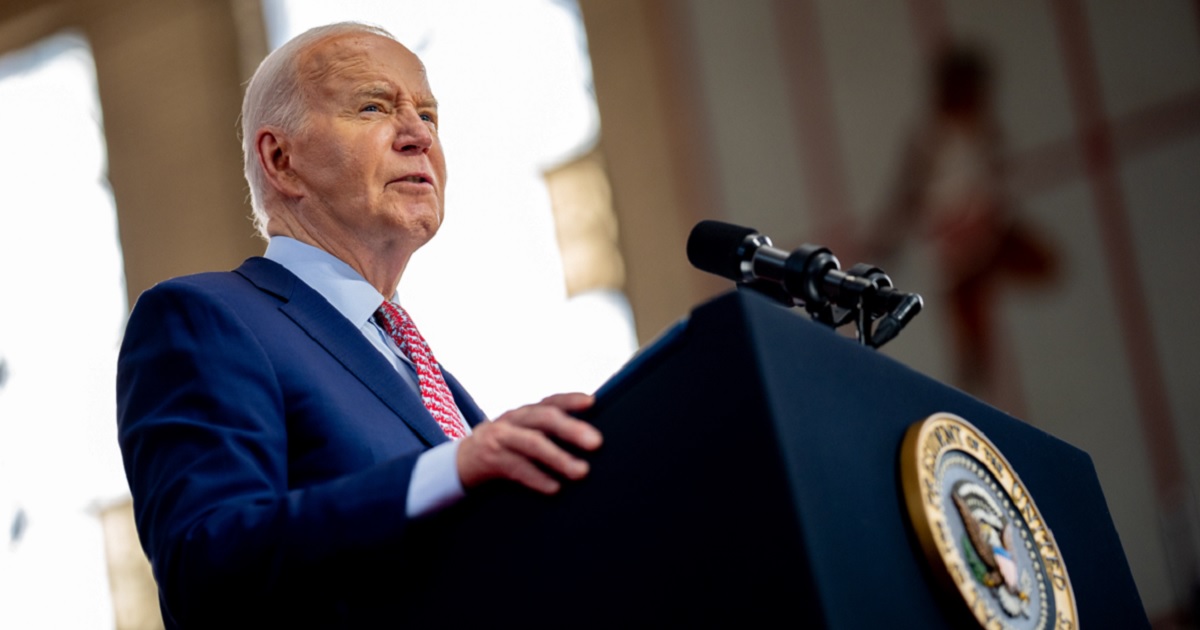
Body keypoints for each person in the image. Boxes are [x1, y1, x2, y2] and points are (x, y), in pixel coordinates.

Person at [116, 22, 603, 628]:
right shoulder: (207, 317)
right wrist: (451, 469)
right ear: (280, 159)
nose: (419, 135)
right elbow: (208, 567)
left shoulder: (422, 371)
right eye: (374, 106)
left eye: (429, 115)